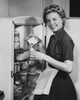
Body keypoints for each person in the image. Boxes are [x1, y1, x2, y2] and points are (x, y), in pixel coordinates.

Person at [30, 4, 77, 100]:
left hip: (60, 83)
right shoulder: (53, 36)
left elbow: (68, 68)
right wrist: (40, 45)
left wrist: (44, 57)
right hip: (51, 77)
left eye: (54, 19)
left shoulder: (65, 39)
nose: (51, 23)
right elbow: (51, 57)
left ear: (62, 19)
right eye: (48, 20)